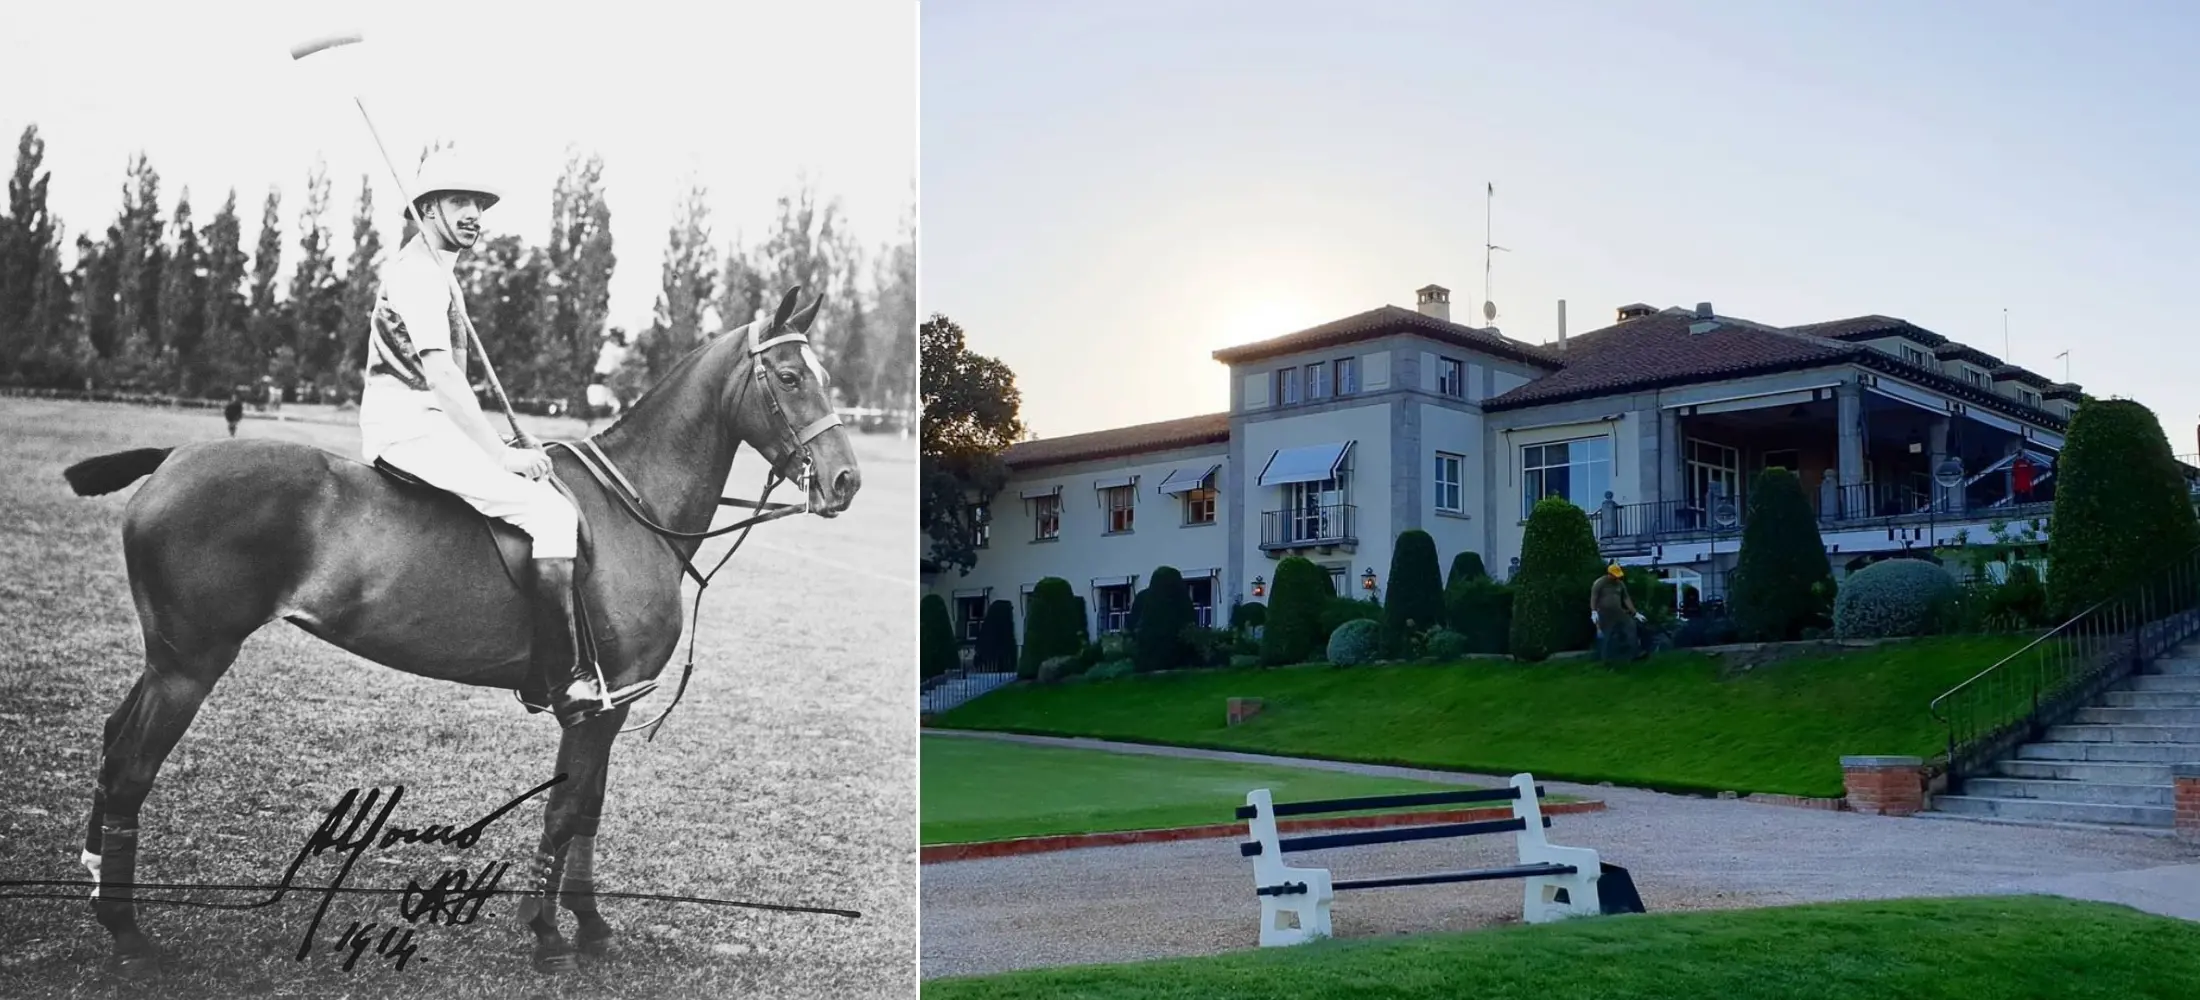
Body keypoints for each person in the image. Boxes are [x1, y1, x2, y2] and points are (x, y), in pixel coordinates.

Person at [355, 147, 611, 728]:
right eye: (460, 202)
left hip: (427, 421)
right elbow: (441, 376)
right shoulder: (419, 275)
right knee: (551, 518)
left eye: (479, 204)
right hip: (409, 428)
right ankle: (561, 676)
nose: (474, 214)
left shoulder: (439, 273)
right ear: (427, 209)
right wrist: (498, 454)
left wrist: (499, 438)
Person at [1589, 563, 1647, 662]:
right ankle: (1606, 659)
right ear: (1609, 574)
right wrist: (1594, 611)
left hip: (1618, 612)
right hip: (1604, 613)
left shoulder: (1620, 584)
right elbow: (1594, 597)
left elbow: (1626, 598)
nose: (1616, 578)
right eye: (1614, 576)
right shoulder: (1600, 583)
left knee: (1630, 626)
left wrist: (1635, 613)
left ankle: (1634, 654)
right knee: (1607, 634)